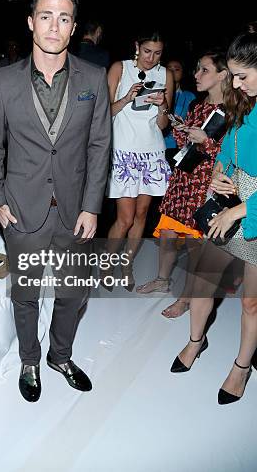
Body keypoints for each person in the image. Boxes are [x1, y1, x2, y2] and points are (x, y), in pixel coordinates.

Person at [0, 0, 111, 402]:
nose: (54, 26)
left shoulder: (93, 78)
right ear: (30, 23)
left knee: (73, 293)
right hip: (22, 210)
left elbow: (99, 146)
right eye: (46, 16)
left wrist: (93, 206)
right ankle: (30, 360)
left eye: (65, 18)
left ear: (74, 28)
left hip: (76, 212)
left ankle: (60, 355)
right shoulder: (3, 81)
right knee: (26, 296)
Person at [170, 31, 257, 405]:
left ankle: (241, 366)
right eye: (233, 76)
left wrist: (241, 207)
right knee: (201, 277)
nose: (236, 84)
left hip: (251, 206)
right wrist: (221, 171)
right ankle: (195, 341)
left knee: (252, 301)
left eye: (243, 76)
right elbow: (227, 146)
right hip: (226, 194)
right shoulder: (241, 100)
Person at [136, 50, 230, 320]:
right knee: (167, 233)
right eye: (197, 69)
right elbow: (183, 143)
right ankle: (162, 280)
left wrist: (206, 141)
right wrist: (171, 117)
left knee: (193, 244)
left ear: (222, 75)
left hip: (204, 184)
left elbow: (230, 155)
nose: (196, 75)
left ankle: (187, 298)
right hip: (182, 179)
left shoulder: (233, 112)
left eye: (204, 70)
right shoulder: (197, 106)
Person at [106, 31, 173, 285]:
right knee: (125, 218)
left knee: (142, 214)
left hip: (152, 151)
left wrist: (162, 105)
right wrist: (126, 98)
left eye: (157, 53)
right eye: (147, 51)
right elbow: (103, 112)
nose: (151, 58)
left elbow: (163, 124)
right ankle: (107, 263)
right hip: (124, 151)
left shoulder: (165, 74)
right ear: (137, 46)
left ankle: (126, 266)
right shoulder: (119, 69)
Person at [163, 58, 196, 168]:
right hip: (157, 145)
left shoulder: (189, 96)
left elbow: (193, 123)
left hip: (179, 147)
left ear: (182, 73)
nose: (172, 72)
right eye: (169, 69)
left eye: (176, 69)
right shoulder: (157, 94)